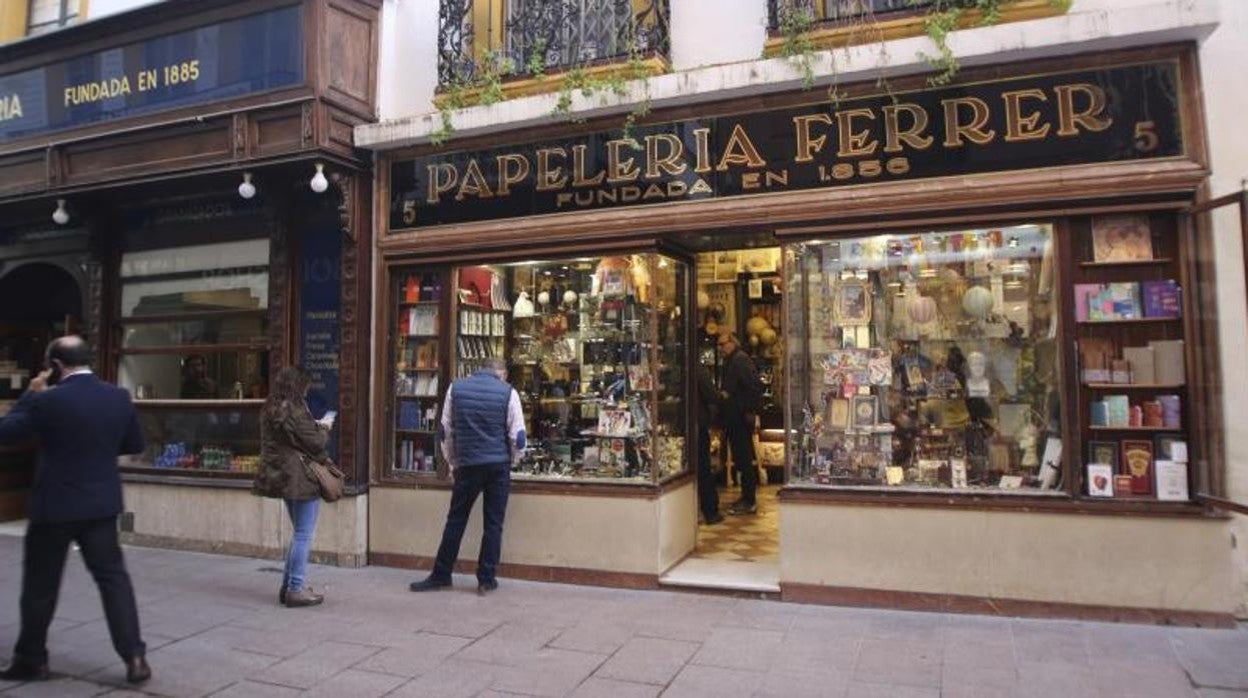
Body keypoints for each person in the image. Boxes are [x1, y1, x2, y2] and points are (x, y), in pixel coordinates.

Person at [0, 336, 151, 685]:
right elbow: (134, 443)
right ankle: (135, 657)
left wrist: (29, 395)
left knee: (40, 585)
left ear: (55, 366)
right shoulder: (117, 396)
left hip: (54, 506)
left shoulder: (48, 401)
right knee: (113, 580)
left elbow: (7, 432)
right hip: (101, 504)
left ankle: (32, 659)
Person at [410, 357, 525, 596]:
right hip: (498, 465)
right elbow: (518, 436)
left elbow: (445, 432)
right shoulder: (508, 392)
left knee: (456, 520)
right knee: (493, 525)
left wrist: (453, 462)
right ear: (501, 373)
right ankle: (486, 579)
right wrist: (512, 460)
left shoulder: (456, 388)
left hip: (468, 464)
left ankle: (441, 574)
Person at [253, 366, 335, 608]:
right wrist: (325, 427)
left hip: (282, 476)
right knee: (303, 534)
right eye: (305, 385)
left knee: (298, 532)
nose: (307, 389)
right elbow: (316, 443)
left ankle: (288, 586)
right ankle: (296, 589)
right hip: (300, 477)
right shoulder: (295, 409)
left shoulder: (270, 407)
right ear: (298, 385)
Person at [718, 333, 761, 515]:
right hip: (735, 416)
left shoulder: (740, 361)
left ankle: (749, 500)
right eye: (718, 345)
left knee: (743, 458)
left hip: (740, 418)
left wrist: (748, 411)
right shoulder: (733, 360)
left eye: (722, 344)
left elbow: (752, 387)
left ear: (732, 343)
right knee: (740, 458)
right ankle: (745, 497)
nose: (720, 348)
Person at [695, 362, 723, 525]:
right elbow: (711, 395)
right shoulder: (699, 371)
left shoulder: (682, 367)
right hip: (699, 424)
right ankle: (710, 511)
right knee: (703, 468)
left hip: (682, 423)